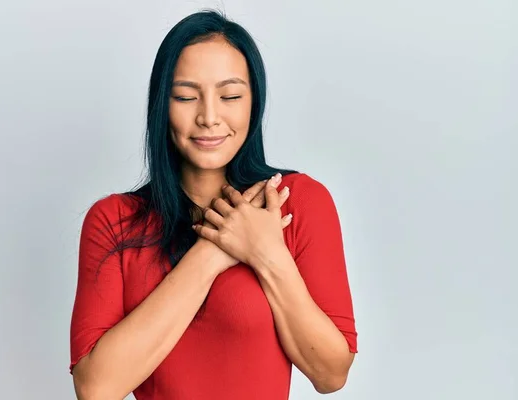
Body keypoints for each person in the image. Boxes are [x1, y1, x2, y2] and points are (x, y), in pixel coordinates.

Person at [69, 9, 357, 400]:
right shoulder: (114, 221)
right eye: (186, 96)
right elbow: (95, 388)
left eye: (230, 96)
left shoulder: (295, 201)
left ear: (253, 102)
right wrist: (213, 252)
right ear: (161, 105)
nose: (208, 117)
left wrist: (267, 253)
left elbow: (331, 373)